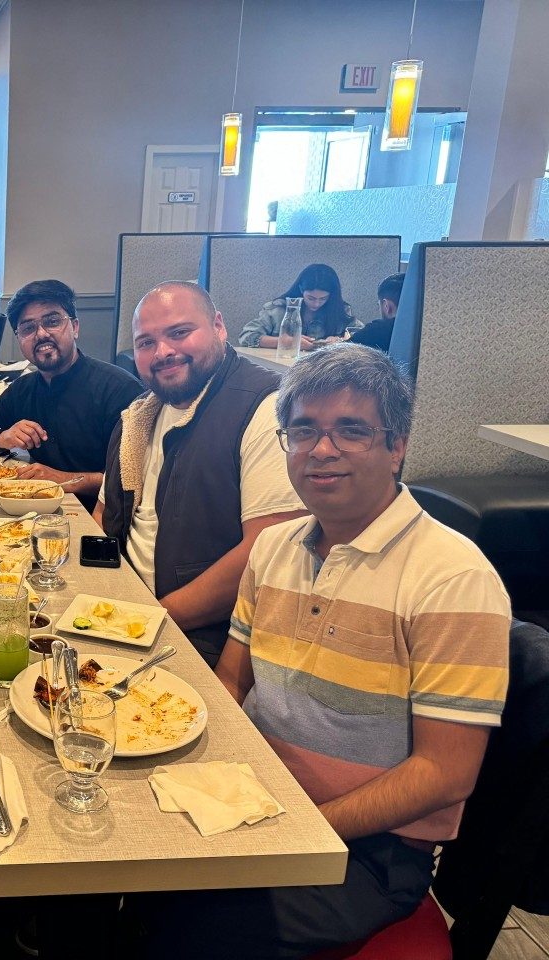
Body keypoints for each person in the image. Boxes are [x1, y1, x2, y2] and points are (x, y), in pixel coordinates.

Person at [135, 344, 511, 959]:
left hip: (367, 850)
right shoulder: (275, 547)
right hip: (255, 797)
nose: (322, 449)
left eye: (352, 431)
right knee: (123, 863)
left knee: (184, 923)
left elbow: (446, 774)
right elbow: (232, 686)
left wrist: (302, 828)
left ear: (398, 445)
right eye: (304, 429)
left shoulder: (452, 579)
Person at [95, 281, 306, 665]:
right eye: (146, 343)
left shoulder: (266, 408)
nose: (163, 352)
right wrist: (87, 590)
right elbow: (106, 517)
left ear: (219, 327)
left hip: (199, 637)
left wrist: (153, 618)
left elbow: (267, 550)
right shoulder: (140, 415)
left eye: (179, 333)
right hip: (121, 613)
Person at [0, 280, 143, 507]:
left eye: (52, 321)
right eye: (28, 328)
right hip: (34, 509)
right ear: (19, 339)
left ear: (75, 327)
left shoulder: (119, 390)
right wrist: (1, 439)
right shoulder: (22, 389)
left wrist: (65, 480)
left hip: (99, 517)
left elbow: (136, 478)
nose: (41, 334)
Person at [238, 263, 360, 350]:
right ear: (301, 290)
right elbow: (246, 336)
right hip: (278, 370)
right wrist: (285, 342)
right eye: (311, 298)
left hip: (322, 373)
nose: (316, 303)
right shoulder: (278, 309)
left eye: (323, 299)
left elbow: (363, 335)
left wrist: (342, 341)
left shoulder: (340, 311)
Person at [348, 273, 405, 352]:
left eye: (379, 305)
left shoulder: (376, 331)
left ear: (386, 305)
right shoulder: (422, 330)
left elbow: (335, 355)